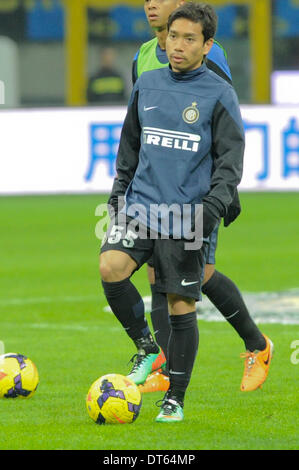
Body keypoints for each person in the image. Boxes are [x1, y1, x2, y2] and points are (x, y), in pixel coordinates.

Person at [100, 2, 273, 423]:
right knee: (111, 266)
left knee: (180, 301)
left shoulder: (218, 90)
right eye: (174, 37)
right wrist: (118, 194)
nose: (178, 45)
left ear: (207, 45)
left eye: (189, 39)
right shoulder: (147, 78)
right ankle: (147, 348)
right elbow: (131, 144)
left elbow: (229, 157)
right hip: (142, 202)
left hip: (188, 212)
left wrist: (214, 207)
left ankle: (175, 397)